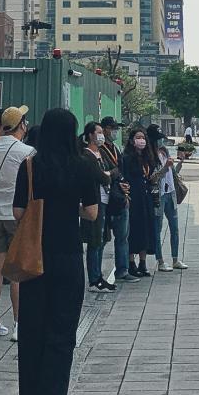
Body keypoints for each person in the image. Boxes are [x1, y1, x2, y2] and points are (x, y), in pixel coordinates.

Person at [17, 108, 100, 395]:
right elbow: (91, 213)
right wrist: (69, 207)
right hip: (69, 255)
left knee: (34, 327)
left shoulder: (30, 165)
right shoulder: (83, 165)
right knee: (62, 328)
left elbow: (18, 211)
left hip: (35, 257)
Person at [0, 105, 34, 339]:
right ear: (21, 125)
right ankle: (19, 324)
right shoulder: (27, 151)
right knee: (17, 272)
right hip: (17, 215)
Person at [82, 121, 115, 291]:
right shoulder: (86, 155)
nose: (101, 135)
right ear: (90, 135)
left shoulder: (102, 152)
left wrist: (107, 174)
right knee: (94, 240)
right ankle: (94, 279)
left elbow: (115, 170)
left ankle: (99, 275)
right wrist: (107, 175)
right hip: (95, 201)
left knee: (103, 239)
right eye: (99, 132)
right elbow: (101, 177)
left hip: (106, 200)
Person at [97, 116, 130, 282]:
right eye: (113, 128)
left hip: (119, 197)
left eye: (117, 128)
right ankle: (97, 274)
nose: (115, 131)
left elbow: (119, 170)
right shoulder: (99, 149)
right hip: (104, 198)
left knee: (122, 236)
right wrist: (114, 172)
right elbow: (104, 173)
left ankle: (122, 270)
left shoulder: (115, 148)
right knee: (101, 238)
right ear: (104, 129)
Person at [120, 126, 156, 278]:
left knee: (146, 228)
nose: (141, 140)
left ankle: (143, 262)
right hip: (133, 197)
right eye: (138, 138)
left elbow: (150, 176)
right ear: (131, 140)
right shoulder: (127, 157)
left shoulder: (147, 157)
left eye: (143, 138)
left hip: (146, 196)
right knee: (133, 229)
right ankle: (131, 263)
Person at [150, 128, 186, 271]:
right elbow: (153, 178)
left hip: (170, 193)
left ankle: (175, 259)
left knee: (174, 228)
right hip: (159, 195)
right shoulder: (150, 156)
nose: (161, 141)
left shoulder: (164, 151)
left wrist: (180, 163)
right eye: (159, 139)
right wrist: (165, 167)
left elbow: (173, 173)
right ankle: (160, 261)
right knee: (157, 229)